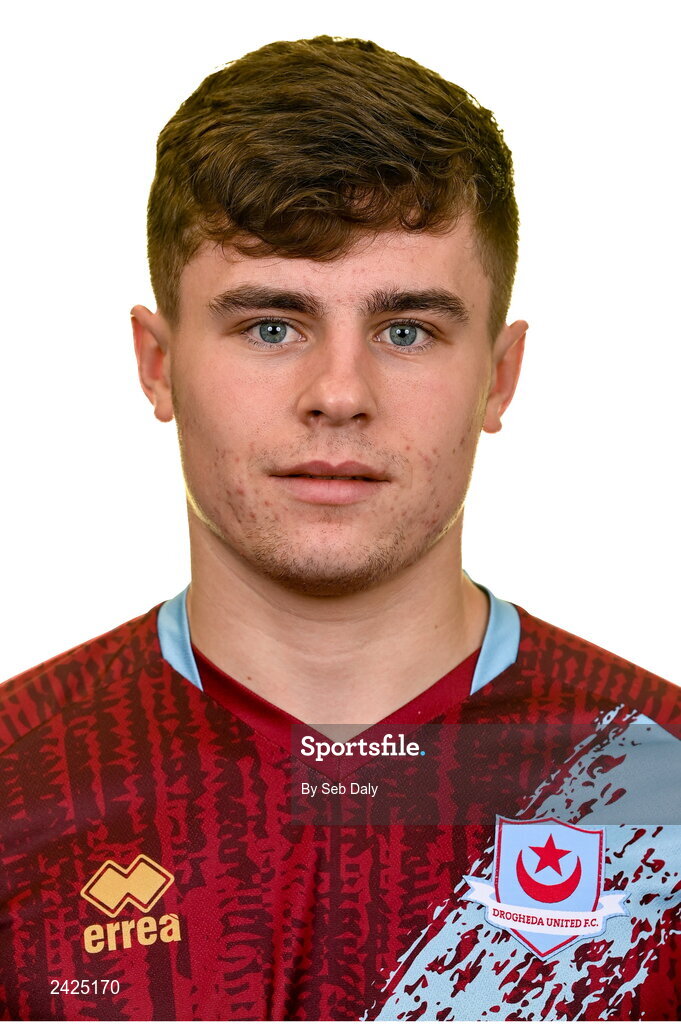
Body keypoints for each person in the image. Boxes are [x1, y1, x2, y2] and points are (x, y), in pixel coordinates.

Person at [0, 34, 678, 1023]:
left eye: (408, 330)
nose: (340, 395)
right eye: (271, 325)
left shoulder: (656, 784)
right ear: (157, 364)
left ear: (500, 375)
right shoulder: (19, 782)